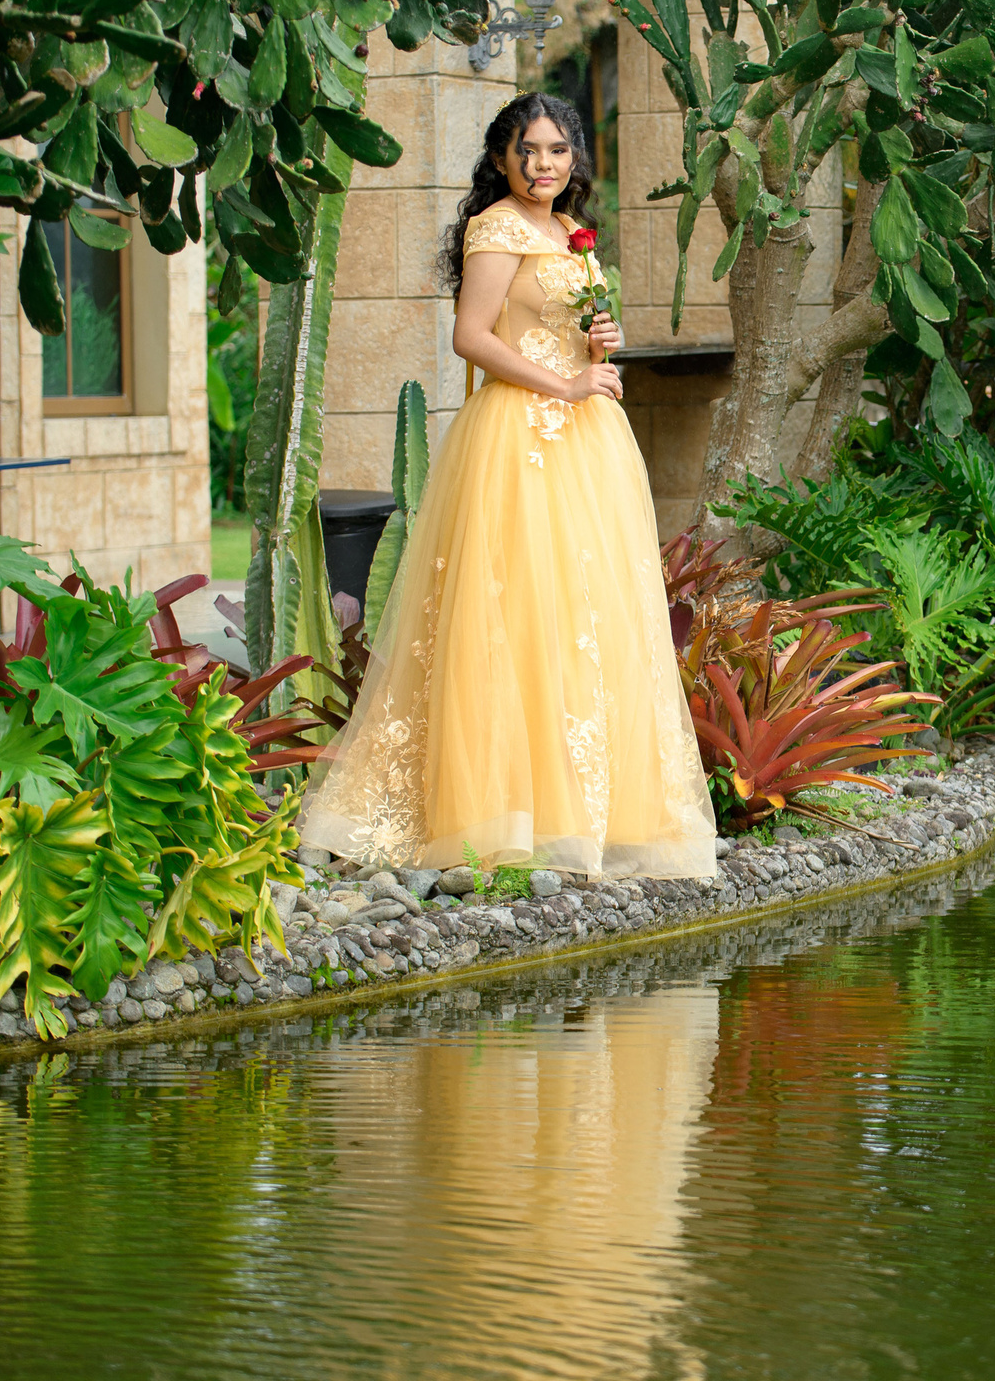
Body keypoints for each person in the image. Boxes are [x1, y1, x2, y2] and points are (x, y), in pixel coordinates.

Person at [301, 93, 718, 880]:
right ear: (501, 158)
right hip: (518, 437)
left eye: (557, 150)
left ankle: (586, 814)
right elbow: (471, 335)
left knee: (580, 617)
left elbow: (567, 325)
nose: (542, 165)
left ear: (575, 158)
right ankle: (493, 816)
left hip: (586, 441)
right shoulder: (494, 227)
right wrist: (560, 386)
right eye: (527, 151)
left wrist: (603, 340)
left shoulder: (571, 233)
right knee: (513, 611)